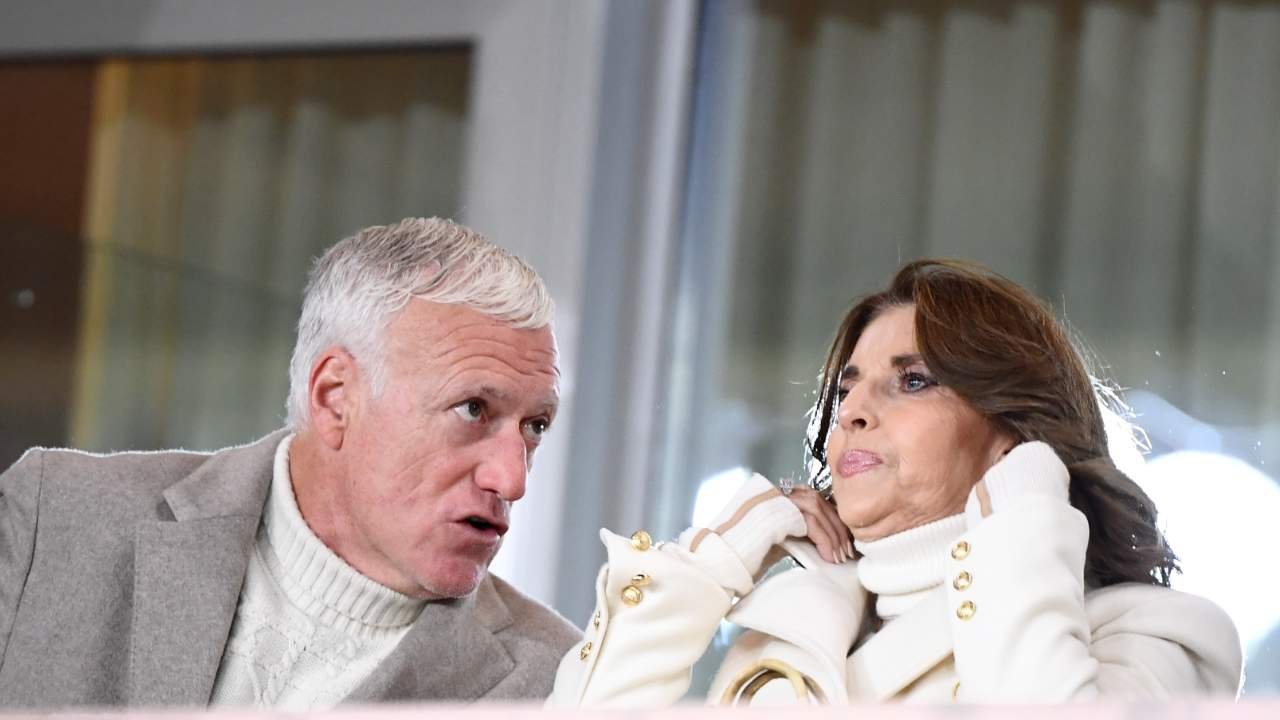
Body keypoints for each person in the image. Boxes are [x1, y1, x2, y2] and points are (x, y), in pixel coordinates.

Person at [551, 259, 1243, 706]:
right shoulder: (788, 635)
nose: (852, 411)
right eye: (845, 390)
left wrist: (1025, 512)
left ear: (1013, 430)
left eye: (912, 382)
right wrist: (713, 561)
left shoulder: (1157, 636)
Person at [0, 218, 580, 709]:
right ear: (335, 398)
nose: (512, 480)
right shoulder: (56, 518)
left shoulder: (559, 687)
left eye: (535, 426)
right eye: (473, 409)